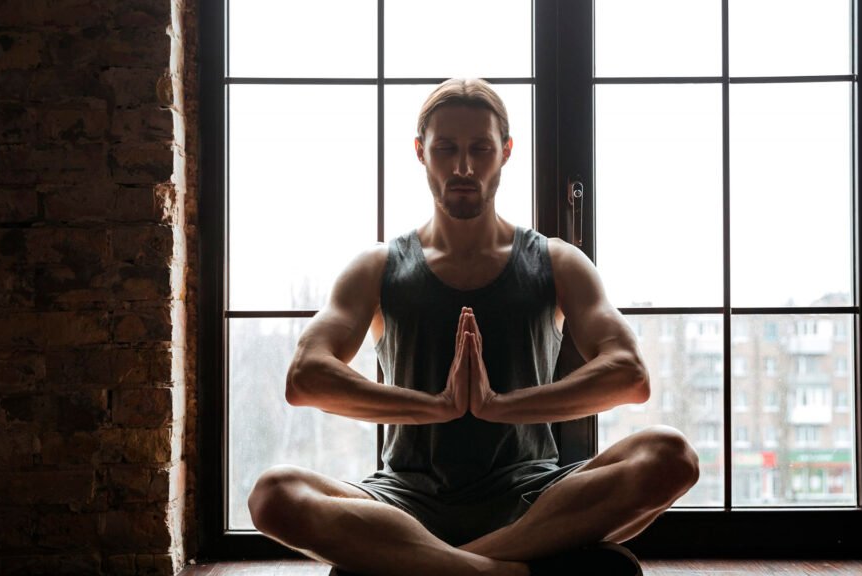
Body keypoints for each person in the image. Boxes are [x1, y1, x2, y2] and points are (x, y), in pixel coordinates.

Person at [248, 78, 700, 576]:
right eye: (446, 149)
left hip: (532, 499)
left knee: (670, 455)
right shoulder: (377, 266)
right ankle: (502, 571)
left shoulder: (556, 261)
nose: (463, 166)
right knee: (274, 495)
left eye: (480, 148)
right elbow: (305, 377)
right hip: (405, 501)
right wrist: (437, 407)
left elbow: (630, 375)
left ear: (505, 152)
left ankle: (436, 566)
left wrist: (499, 407)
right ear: (421, 153)